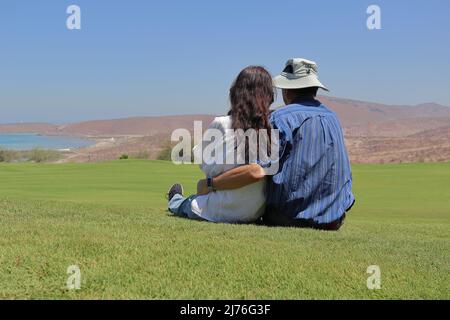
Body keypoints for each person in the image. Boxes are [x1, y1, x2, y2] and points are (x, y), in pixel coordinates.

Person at [196, 58, 355, 231]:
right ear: (315, 89)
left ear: (287, 90)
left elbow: (256, 170)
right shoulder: (332, 118)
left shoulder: (281, 119)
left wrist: (211, 184)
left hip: (290, 217)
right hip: (334, 219)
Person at [166, 66, 273, 223]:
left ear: (237, 93)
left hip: (220, 208)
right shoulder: (271, 130)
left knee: (184, 204)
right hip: (254, 213)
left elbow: (203, 163)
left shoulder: (221, 123)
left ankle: (174, 198)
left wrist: (212, 179)